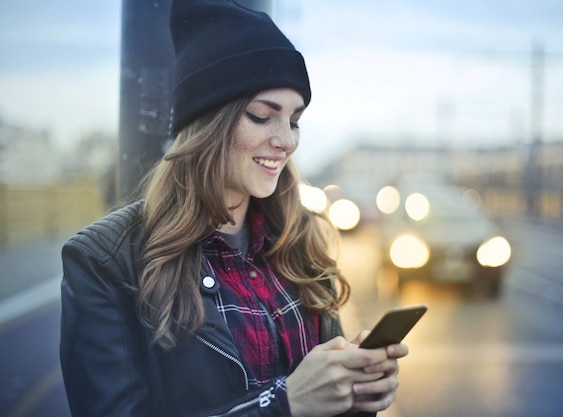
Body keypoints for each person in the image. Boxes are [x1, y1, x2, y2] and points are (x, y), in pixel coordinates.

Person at [59, 1, 409, 416]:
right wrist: (283, 404)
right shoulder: (107, 262)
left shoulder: (300, 241)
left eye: (294, 120)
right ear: (207, 122)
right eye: (263, 116)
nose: (286, 140)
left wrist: (352, 395)